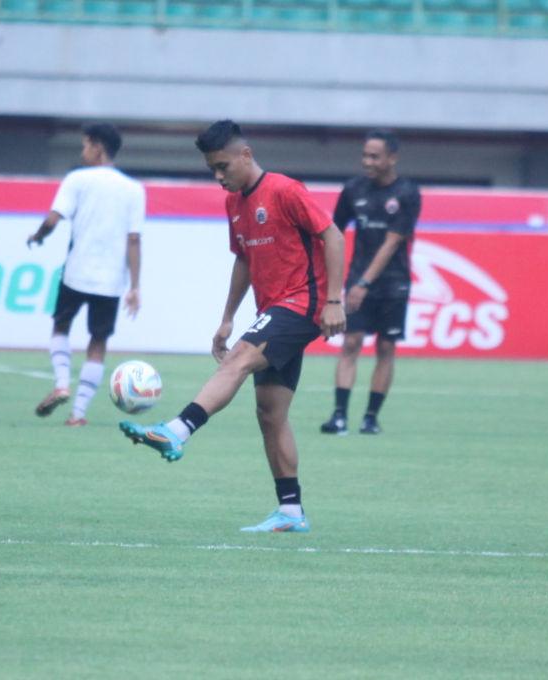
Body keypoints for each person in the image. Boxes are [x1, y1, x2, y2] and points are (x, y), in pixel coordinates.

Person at [119, 120, 346, 533]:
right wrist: (226, 318)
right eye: (212, 170)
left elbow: (333, 236)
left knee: (238, 360)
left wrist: (333, 300)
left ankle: (176, 430)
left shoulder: (285, 190)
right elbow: (243, 260)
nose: (218, 176)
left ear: (246, 154)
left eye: (223, 166)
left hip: (303, 302)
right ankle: (291, 511)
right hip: (274, 306)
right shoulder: (234, 204)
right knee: (270, 413)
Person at [29, 123, 145, 427]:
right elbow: (134, 239)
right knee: (98, 341)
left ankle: (62, 383)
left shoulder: (77, 179)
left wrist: (38, 236)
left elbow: (53, 219)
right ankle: (78, 414)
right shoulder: (134, 190)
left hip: (76, 273)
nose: (83, 151)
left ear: (97, 146)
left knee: (61, 325)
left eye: (85, 145)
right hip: (110, 281)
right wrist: (135, 286)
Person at [320, 129, 421, 436]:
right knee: (350, 343)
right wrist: (336, 283)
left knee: (386, 347)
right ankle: (339, 416)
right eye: (365, 155)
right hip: (358, 278)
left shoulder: (407, 193)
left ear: (392, 158)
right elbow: (333, 234)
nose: (368, 161)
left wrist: (362, 282)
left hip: (393, 283)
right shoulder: (352, 190)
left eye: (375, 156)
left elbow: (392, 243)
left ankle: (370, 417)